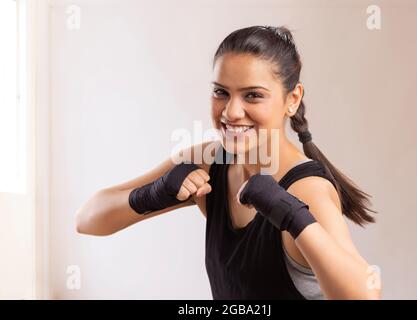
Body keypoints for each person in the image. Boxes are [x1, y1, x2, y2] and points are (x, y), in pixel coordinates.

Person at [76, 25, 380, 300]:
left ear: (293, 99)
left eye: (253, 96)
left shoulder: (308, 189)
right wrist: (152, 194)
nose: (232, 112)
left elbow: (365, 296)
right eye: (221, 92)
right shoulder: (210, 163)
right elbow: (88, 219)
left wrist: (292, 216)